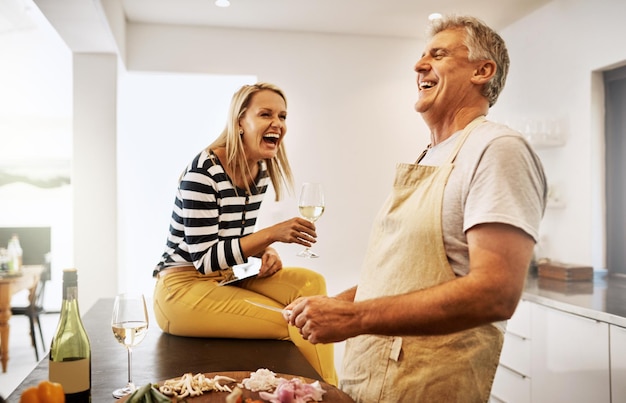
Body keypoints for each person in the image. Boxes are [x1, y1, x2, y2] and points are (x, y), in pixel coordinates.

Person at [284, 15, 547, 402]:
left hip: (429, 385)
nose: (418, 65)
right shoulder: (430, 155)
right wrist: (338, 304)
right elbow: (403, 276)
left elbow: (496, 293)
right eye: (422, 55)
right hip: (372, 376)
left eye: (438, 54)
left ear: (482, 71)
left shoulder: (497, 149)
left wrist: (353, 318)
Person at [152, 82, 337, 385]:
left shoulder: (260, 172)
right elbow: (206, 259)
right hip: (181, 289)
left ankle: (323, 390)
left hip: (224, 278)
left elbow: (231, 242)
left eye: (283, 116)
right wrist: (270, 235)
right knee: (296, 320)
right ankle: (327, 393)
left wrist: (266, 252)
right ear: (240, 121)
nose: (277, 123)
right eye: (265, 114)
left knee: (311, 282)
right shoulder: (204, 171)